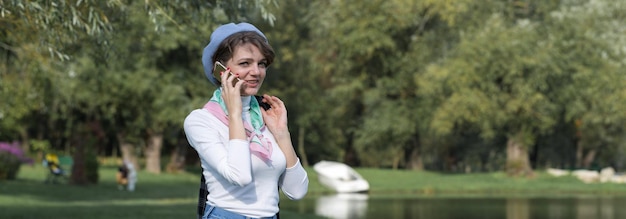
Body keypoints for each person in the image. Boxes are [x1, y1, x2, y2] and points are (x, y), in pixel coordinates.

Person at [184, 22, 309, 219]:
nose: (256, 72)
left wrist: (282, 133)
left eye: (261, 64)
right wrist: (235, 114)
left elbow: (297, 191)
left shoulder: (266, 115)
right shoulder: (201, 121)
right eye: (245, 63)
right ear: (221, 69)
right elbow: (239, 176)